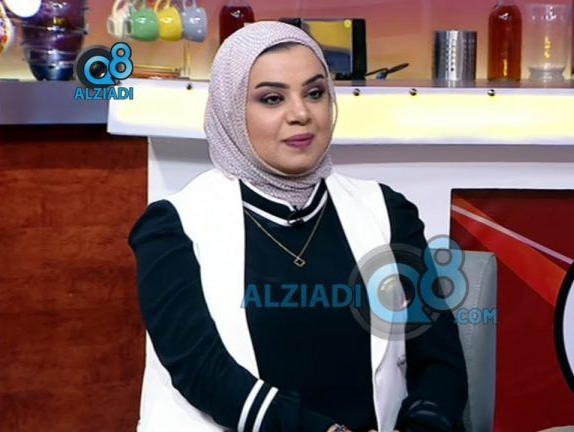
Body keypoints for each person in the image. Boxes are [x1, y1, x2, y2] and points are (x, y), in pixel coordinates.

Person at [129, 21, 467, 432]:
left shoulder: (387, 211)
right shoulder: (172, 227)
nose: (301, 114)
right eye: (272, 98)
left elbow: (439, 360)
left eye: (315, 93)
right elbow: (203, 371)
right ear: (231, 110)